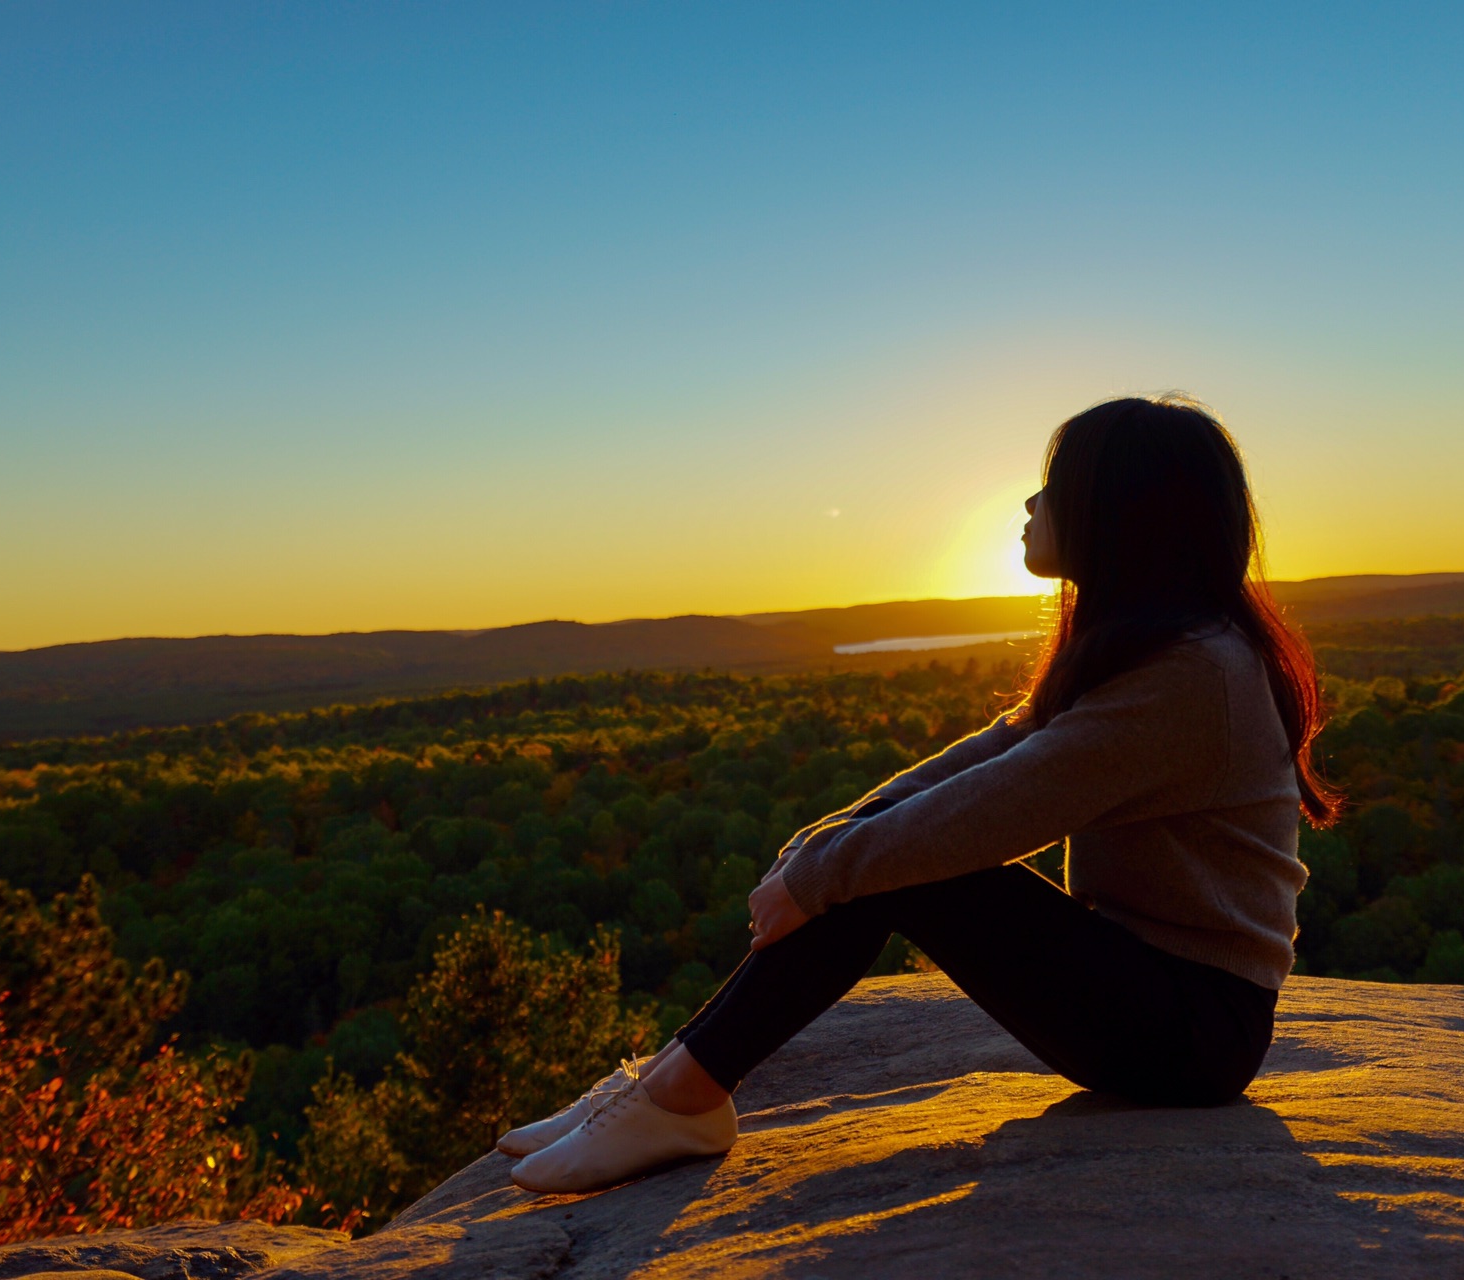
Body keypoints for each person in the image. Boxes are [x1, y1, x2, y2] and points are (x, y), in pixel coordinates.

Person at [501, 393, 1340, 1194]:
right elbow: (1002, 749)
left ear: (1115, 513)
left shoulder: (1193, 677)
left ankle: (682, 1097)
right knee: (881, 847)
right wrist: (828, 840)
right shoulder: (1155, 649)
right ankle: (671, 1083)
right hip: (1153, 1000)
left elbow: (992, 812)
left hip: (1192, 1030)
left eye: (1055, 485)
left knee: (903, 863)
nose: (1030, 501)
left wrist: (828, 870)